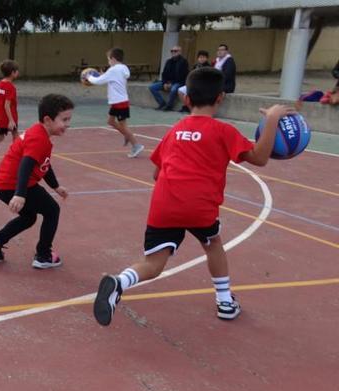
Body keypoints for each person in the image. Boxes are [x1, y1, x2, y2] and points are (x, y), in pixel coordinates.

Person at [92, 67, 294, 326]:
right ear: (221, 98)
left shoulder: (174, 131)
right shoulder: (223, 131)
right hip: (199, 206)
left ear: (186, 99)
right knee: (213, 244)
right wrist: (273, 120)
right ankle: (225, 302)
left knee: (153, 262)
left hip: (165, 203)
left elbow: (157, 173)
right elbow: (260, 157)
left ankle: (120, 282)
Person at [0, 94, 73, 269]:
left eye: (69, 119)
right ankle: (44, 255)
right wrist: (20, 194)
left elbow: (43, 164)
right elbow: (26, 165)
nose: (68, 124)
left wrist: (56, 186)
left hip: (5, 184)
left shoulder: (39, 133)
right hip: (14, 185)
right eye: (64, 119)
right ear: (47, 119)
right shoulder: (39, 139)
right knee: (52, 210)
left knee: (29, 217)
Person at [86, 47, 145, 158]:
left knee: (123, 125)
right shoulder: (123, 68)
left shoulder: (113, 70)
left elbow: (98, 81)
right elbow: (109, 78)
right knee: (111, 121)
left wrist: (88, 77)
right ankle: (127, 135)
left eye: (108, 59)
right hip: (120, 101)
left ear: (113, 58)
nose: (108, 62)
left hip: (119, 102)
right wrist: (104, 74)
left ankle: (136, 145)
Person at [149, 46, 189, 111]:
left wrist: (171, 83)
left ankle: (169, 106)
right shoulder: (168, 61)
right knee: (152, 87)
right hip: (167, 82)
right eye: (172, 51)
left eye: (175, 51)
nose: (173, 52)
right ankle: (162, 103)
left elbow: (183, 75)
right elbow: (164, 73)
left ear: (180, 52)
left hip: (178, 82)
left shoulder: (184, 62)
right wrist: (165, 83)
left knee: (173, 90)